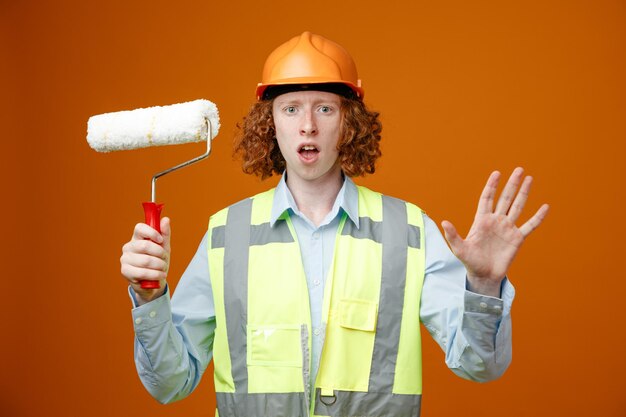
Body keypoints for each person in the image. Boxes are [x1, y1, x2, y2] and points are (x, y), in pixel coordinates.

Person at [120, 32, 549, 417]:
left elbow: (480, 365)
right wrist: (149, 298)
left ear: (349, 123)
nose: (307, 125)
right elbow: (170, 383)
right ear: (270, 125)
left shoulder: (409, 231)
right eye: (290, 109)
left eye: (324, 108)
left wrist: (486, 286)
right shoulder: (225, 235)